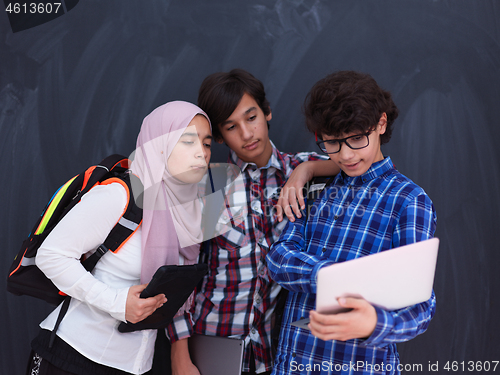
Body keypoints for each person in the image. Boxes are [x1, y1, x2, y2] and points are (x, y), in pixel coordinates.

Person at [166, 69, 340, 375]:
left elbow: (353, 162)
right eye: (232, 127)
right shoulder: (209, 186)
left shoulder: (299, 169)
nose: (247, 134)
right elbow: (181, 274)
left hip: (277, 349)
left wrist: (306, 171)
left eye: (251, 117)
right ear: (219, 136)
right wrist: (180, 355)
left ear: (267, 112)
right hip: (213, 341)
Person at [266, 70, 438, 374]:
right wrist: (334, 277)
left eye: (357, 139)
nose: (345, 155)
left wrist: (374, 321)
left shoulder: (408, 200)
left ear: (381, 123)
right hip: (294, 363)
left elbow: (421, 306)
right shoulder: (318, 187)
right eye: (332, 143)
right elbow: (279, 258)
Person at [27, 101, 213, 375]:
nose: (201, 153)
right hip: (73, 356)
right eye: (187, 141)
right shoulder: (121, 194)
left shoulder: (189, 210)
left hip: (136, 365)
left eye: (207, 144)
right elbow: (51, 255)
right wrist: (117, 303)